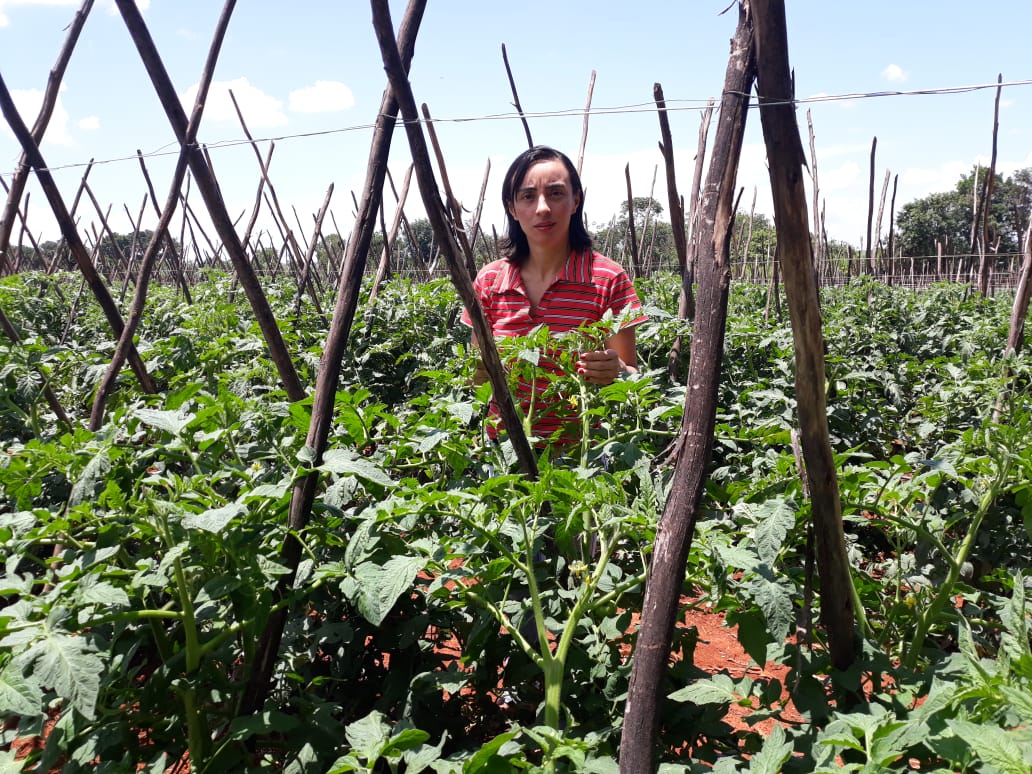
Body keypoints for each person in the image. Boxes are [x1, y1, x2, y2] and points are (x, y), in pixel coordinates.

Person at [461, 145, 646, 442]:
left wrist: (617, 371)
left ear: (575, 201)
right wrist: (479, 371)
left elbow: (631, 376)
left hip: (584, 458)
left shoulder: (608, 278)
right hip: (505, 454)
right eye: (528, 196)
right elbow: (476, 378)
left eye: (556, 193)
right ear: (512, 207)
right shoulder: (489, 280)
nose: (542, 208)